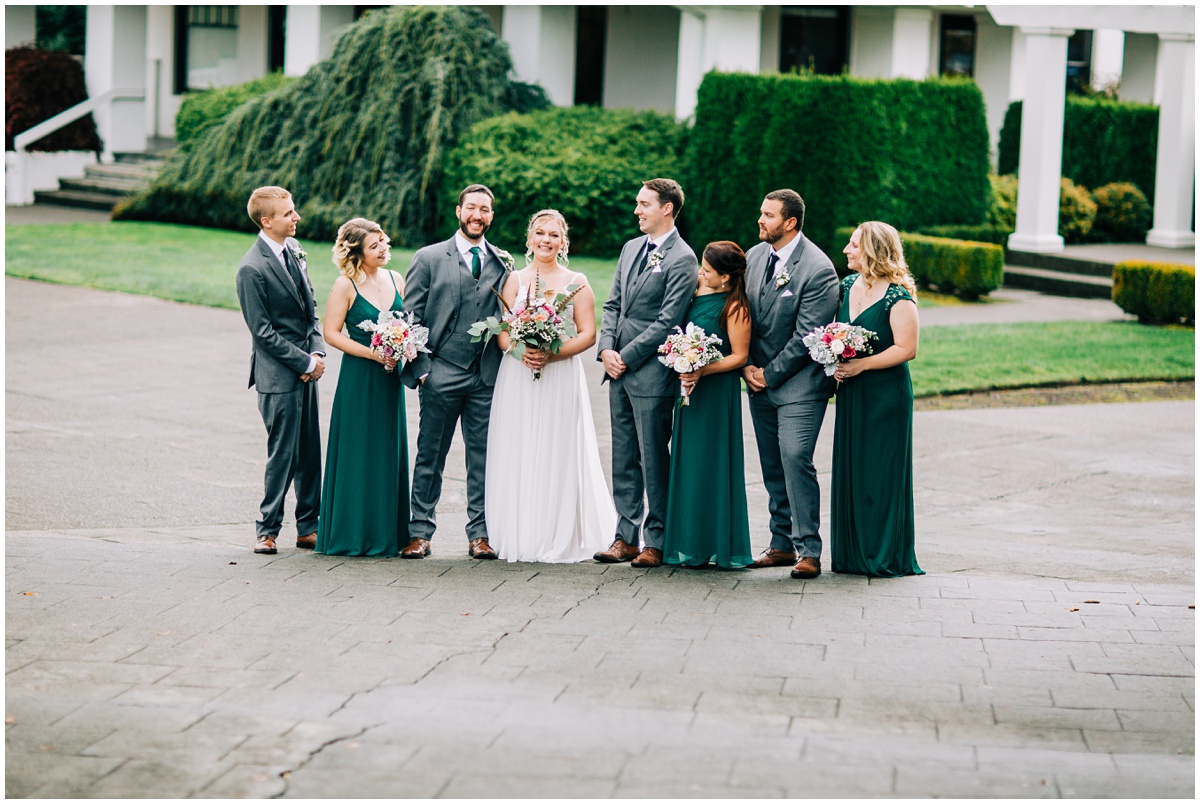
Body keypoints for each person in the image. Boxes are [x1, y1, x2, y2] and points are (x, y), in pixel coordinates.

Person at [485, 210, 617, 562]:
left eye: (554, 235)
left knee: (557, 447)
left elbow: (589, 334)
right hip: (517, 376)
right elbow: (502, 331)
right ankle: (519, 531)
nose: (546, 240)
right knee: (519, 446)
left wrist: (551, 356)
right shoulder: (515, 279)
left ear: (563, 241)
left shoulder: (577, 280)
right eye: (540, 233)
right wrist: (522, 354)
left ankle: (555, 532)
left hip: (559, 375)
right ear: (529, 240)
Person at [595, 178, 699, 568]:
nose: (636, 210)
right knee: (623, 455)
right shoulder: (630, 248)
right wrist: (606, 349)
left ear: (667, 208)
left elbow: (668, 321)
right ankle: (625, 537)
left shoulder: (682, 258)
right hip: (617, 369)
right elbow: (613, 305)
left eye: (644, 204)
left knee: (653, 457)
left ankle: (657, 539)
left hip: (651, 373)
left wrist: (626, 355)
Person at [399, 184, 508, 560]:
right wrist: (424, 369)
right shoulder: (429, 258)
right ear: (459, 211)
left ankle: (480, 534)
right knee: (430, 454)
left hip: (486, 376)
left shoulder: (502, 262)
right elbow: (409, 317)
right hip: (441, 371)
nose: (478, 215)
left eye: (485, 210)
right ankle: (420, 532)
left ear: (492, 216)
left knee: (483, 457)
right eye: (472, 208)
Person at [742, 189, 839, 579]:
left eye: (768, 216)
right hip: (757, 379)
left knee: (795, 457)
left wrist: (769, 373)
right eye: (761, 213)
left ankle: (809, 550)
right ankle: (781, 543)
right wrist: (748, 365)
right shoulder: (753, 256)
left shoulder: (817, 269)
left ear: (790, 223)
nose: (760, 221)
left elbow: (806, 336)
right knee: (770, 463)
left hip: (800, 383)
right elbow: (741, 315)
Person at [235, 186, 326, 555]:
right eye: (289, 213)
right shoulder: (251, 268)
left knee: (310, 453)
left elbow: (311, 311)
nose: (297, 217)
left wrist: (317, 351)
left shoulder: (293, 252)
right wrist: (304, 363)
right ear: (266, 220)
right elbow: (262, 333)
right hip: (278, 378)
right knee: (283, 454)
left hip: (308, 371)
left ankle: (308, 527)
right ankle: (267, 529)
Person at [831, 222, 924, 577]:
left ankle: (881, 554)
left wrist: (862, 365)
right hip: (853, 393)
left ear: (872, 250)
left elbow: (908, 348)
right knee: (853, 467)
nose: (846, 250)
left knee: (880, 471)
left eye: (853, 245)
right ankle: (851, 554)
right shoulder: (847, 285)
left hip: (886, 396)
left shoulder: (898, 296)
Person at [315, 218, 410, 557]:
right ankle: (350, 534)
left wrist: (403, 346)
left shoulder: (396, 278)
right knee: (357, 450)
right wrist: (373, 353)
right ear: (356, 253)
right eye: (375, 246)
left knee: (386, 450)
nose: (384, 248)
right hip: (359, 376)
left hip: (390, 380)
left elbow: (406, 323)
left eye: (384, 241)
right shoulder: (345, 284)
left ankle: (388, 534)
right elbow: (332, 332)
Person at [661, 241, 753, 569]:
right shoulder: (697, 289)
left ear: (726, 277)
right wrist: (681, 360)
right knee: (688, 462)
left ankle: (717, 544)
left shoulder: (735, 307)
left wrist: (701, 369)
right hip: (689, 389)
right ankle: (689, 543)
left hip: (716, 392)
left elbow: (739, 356)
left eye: (708, 270)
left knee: (713, 462)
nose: (701, 272)